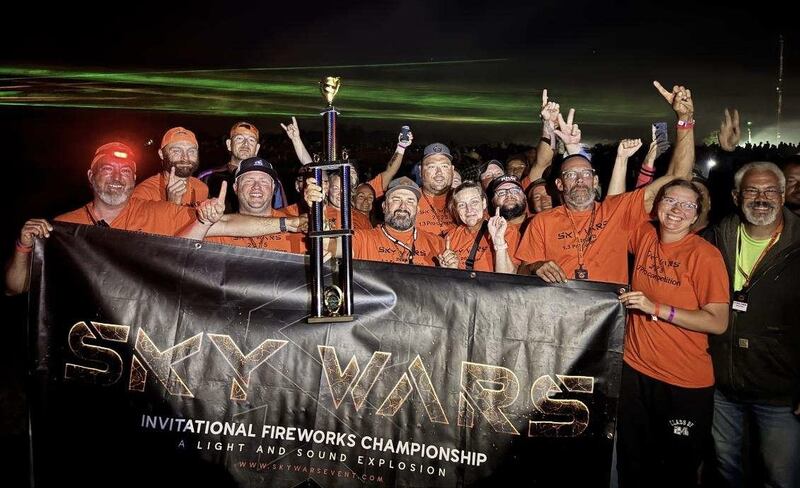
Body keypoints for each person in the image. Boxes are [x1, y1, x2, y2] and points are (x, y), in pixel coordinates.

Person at [516, 81, 696, 285]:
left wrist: (685, 121)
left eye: (585, 174)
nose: (579, 180)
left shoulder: (617, 211)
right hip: (560, 312)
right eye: (571, 175)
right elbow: (522, 270)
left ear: (595, 181)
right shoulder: (542, 222)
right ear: (559, 184)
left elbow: (679, 178)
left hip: (607, 315)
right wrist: (535, 266)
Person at [617, 179, 729, 487]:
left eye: (687, 205)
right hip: (636, 371)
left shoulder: (705, 255)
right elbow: (617, 207)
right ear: (657, 205)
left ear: (696, 216)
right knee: (633, 462)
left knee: (677, 470)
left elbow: (718, 322)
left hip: (683, 381)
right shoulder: (643, 235)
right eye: (669, 200)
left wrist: (657, 308)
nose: (676, 210)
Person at [5, 142, 220, 294]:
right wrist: (23, 247)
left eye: (125, 171)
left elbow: (225, 225)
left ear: (134, 179)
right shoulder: (64, 227)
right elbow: (17, 287)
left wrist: (212, 216)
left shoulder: (158, 212)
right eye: (107, 169)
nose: (117, 178)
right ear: (91, 176)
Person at [705, 161, 800, 488]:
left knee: (780, 476)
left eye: (770, 190)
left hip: (780, 391)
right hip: (722, 386)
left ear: (784, 195)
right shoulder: (716, 239)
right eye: (752, 191)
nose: (762, 198)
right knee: (726, 468)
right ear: (735, 196)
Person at [304, 176, 444, 266]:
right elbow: (326, 246)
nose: (403, 206)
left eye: (410, 201)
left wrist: (451, 270)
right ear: (384, 206)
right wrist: (317, 209)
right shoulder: (363, 239)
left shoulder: (438, 244)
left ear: (418, 209)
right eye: (396, 200)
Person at [439, 181, 519, 273]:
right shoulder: (452, 237)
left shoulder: (505, 230)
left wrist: (499, 241)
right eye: (461, 205)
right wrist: (451, 270)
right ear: (456, 210)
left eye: (474, 202)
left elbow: (508, 278)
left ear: (484, 203)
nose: (469, 209)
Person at [131, 126, 208, 206]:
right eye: (176, 151)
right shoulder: (144, 193)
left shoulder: (201, 188)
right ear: (161, 154)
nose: (185, 157)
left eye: (191, 151)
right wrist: (172, 205)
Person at [416, 143, 456, 237]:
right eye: (431, 166)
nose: (439, 172)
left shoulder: (466, 198)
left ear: (452, 170)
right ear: (420, 171)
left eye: (444, 166)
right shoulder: (409, 200)